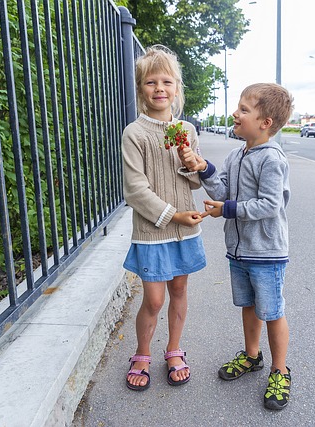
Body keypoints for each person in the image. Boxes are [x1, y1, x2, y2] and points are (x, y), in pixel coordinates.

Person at [178, 83, 294, 410]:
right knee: (248, 305)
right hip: (239, 251)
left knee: (271, 312)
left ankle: (280, 370)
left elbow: (270, 205)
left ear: (265, 122)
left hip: (267, 253)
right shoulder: (236, 153)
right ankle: (252, 356)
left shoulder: (271, 159)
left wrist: (227, 210)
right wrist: (205, 169)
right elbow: (225, 190)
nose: (235, 113)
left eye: (244, 109)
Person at [121, 45, 206, 391]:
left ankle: (174, 350)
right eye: (151, 82)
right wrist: (174, 215)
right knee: (154, 299)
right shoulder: (134, 133)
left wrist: (191, 163)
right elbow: (135, 189)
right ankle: (142, 352)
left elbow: (197, 179)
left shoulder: (185, 129)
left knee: (180, 288)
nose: (159, 88)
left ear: (177, 88)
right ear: (141, 89)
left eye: (167, 82)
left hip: (185, 232)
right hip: (153, 231)